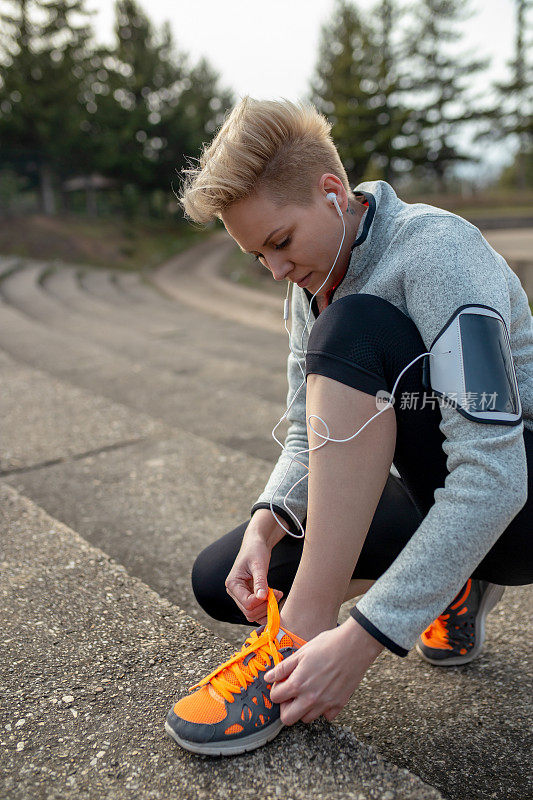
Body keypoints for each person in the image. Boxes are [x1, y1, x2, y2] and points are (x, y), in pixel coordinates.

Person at [164, 96, 533, 757]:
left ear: (333, 193)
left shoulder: (437, 252)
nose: (275, 270)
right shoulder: (314, 276)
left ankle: (300, 634)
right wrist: (267, 517)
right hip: (430, 480)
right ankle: (451, 581)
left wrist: (363, 636)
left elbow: (497, 478)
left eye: (279, 242)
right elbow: (308, 434)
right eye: (257, 256)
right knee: (222, 575)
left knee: (354, 326)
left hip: (521, 502)